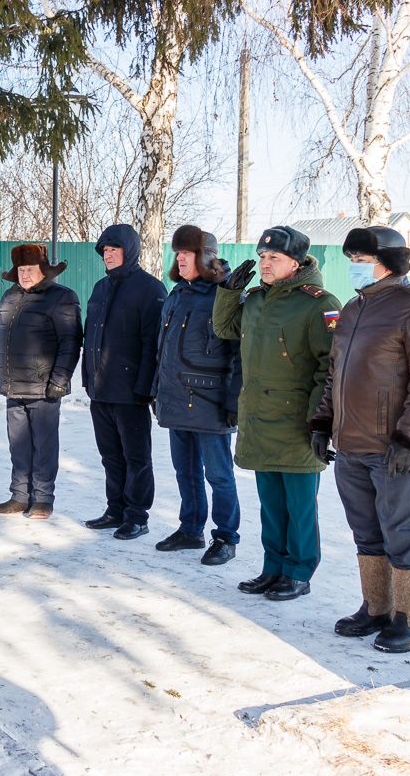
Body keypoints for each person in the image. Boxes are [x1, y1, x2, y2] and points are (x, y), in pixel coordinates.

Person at [310, 226, 410, 653]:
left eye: (361, 259)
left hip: (395, 447)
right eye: (352, 258)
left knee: (402, 531)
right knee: (366, 532)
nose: (354, 267)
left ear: (387, 263)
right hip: (351, 443)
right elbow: (337, 374)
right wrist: (322, 422)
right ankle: (376, 608)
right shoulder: (353, 309)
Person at [212, 226, 339, 601]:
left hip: (298, 422)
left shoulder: (320, 303)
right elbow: (224, 327)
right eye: (262, 256)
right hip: (260, 419)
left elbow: (330, 368)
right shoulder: (254, 299)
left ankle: (299, 571)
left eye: (274, 258)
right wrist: (228, 292)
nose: (265, 263)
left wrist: (321, 422)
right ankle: (274, 568)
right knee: (271, 504)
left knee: (299, 506)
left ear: (295, 263)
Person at [150, 226, 243, 565]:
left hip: (211, 403)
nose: (180, 259)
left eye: (186, 253)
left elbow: (240, 354)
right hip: (176, 398)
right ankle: (190, 529)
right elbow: (162, 350)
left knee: (218, 475)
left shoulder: (226, 295)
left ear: (205, 257)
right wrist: (156, 391)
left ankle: (226, 537)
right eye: (177, 254)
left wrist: (234, 400)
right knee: (185, 471)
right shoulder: (177, 294)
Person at [0, 244, 83, 519]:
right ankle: (19, 496)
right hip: (13, 384)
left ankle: (43, 498)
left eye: (31, 270)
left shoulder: (61, 297)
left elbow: (70, 342)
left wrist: (60, 379)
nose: (25, 275)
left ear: (43, 271)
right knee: (18, 444)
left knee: (43, 445)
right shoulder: (10, 296)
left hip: (44, 386)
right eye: (21, 270)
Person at [81, 224, 166, 541]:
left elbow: (152, 344)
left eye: (114, 249)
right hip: (100, 392)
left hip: (131, 393)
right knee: (110, 456)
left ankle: (136, 516)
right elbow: (91, 337)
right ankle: (115, 509)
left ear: (129, 251)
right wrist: (88, 379)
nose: (108, 255)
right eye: (104, 250)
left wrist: (144, 388)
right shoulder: (101, 288)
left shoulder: (150, 289)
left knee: (136, 458)